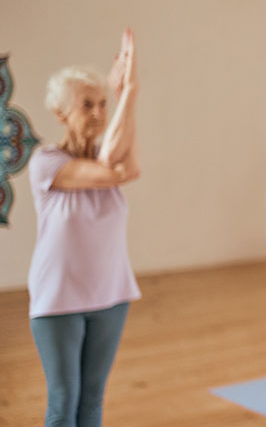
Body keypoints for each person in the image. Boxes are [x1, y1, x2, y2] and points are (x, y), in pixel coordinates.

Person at [28, 28, 141, 427]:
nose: (97, 112)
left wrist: (126, 95)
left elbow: (128, 167)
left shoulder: (108, 158)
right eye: (85, 105)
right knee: (64, 402)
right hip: (58, 300)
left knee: (92, 401)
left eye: (102, 103)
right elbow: (111, 171)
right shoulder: (47, 162)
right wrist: (129, 91)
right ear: (60, 113)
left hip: (111, 295)